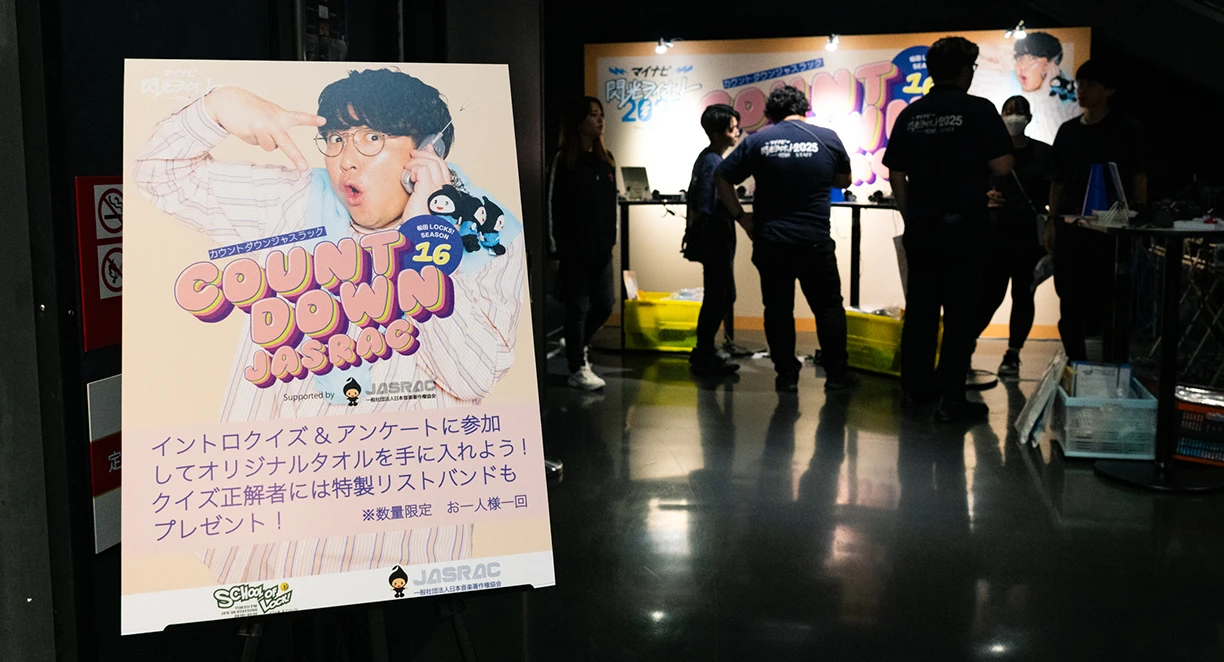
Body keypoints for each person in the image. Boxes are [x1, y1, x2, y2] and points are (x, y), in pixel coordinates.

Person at [133, 68, 526, 581]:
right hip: (268, 535)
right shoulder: (296, 200)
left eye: (372, 138)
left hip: (396, 543)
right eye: (336, 138)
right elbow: (158, 175)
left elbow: (472, 376)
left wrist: (420, 241)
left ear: (428, 154)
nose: (346, 159)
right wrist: (221, 106)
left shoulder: (489, 237)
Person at [883, 37, 1015, 422]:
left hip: (922, 228)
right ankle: (950, 400)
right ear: (963, 71)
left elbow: (896, 171)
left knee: (921, 311)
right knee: (960, 314)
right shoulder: (979, 110)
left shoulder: (912, 114)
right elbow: (1003, 166)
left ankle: (914, 391)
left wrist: (910, 214)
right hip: (966, 228)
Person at [715, 86, 858, 393]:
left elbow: (722, 177)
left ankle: (787, 376)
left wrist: (741, 216)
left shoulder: (758, 140)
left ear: (771, 113)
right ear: (804, 109)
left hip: (771, 241)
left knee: (778, 310)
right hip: (815, 241)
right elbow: (845, 179)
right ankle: (837, 375)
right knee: (829, 308)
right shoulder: (827, 138)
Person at [1047, 61, 1147, 362]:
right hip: (1072, 227)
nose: (1082, 90)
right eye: (1080, 83)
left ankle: (1109, 366)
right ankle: (1076, 362)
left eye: (1090, 84)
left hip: (1112, 231)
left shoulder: (1127, 129)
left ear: (1108, 90)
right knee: (1069, 299)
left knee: (1108, 301)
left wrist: (1139, 216)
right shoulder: (1067, 132)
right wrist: (1051, 222)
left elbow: (1139, 176)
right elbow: (1057, 181)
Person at [547, 97, 618, 390]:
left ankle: (576, 343)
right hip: (574, 249)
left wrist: (610, 239)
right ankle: (577, 367)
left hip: (602, 250)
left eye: (601, 115)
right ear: (579, 122)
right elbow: (552, 204)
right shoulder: (564, 160)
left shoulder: (606, 159)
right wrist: (554, 249)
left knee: (605, 305)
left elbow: (611, 205)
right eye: (592, 115)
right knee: (578, 308)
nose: (599, 120)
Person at [980, 96, 1053, 377]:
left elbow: (1053, 193)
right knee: (989, 296)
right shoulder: (989, 155)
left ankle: (1013, 353)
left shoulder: (1043, 154)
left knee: (1023, 296)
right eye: (1009, 112)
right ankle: (965, 345)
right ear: (1001, 117)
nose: (1015, 117)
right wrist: (986, 197)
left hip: (1028, 238)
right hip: (995, 235)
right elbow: (976, 186)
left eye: (1020, 112)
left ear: (1030, 118)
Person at [685, 103, 742, 375]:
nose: (737, 132)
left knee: (721, 294)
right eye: (732, 129)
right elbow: (707, 203)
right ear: (718, 133)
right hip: (715, 237)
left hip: (713, 236)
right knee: (719, 294)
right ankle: (704, 350)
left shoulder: (707, 158)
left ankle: (705, 349)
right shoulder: (713, 163)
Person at [1011, 32, 1080, 143]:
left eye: (1032, 58)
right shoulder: (1009, 87)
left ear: (1052, 63)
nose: (1022, 67)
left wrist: (1045, 95)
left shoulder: (1071, 100)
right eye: (1019, 59)